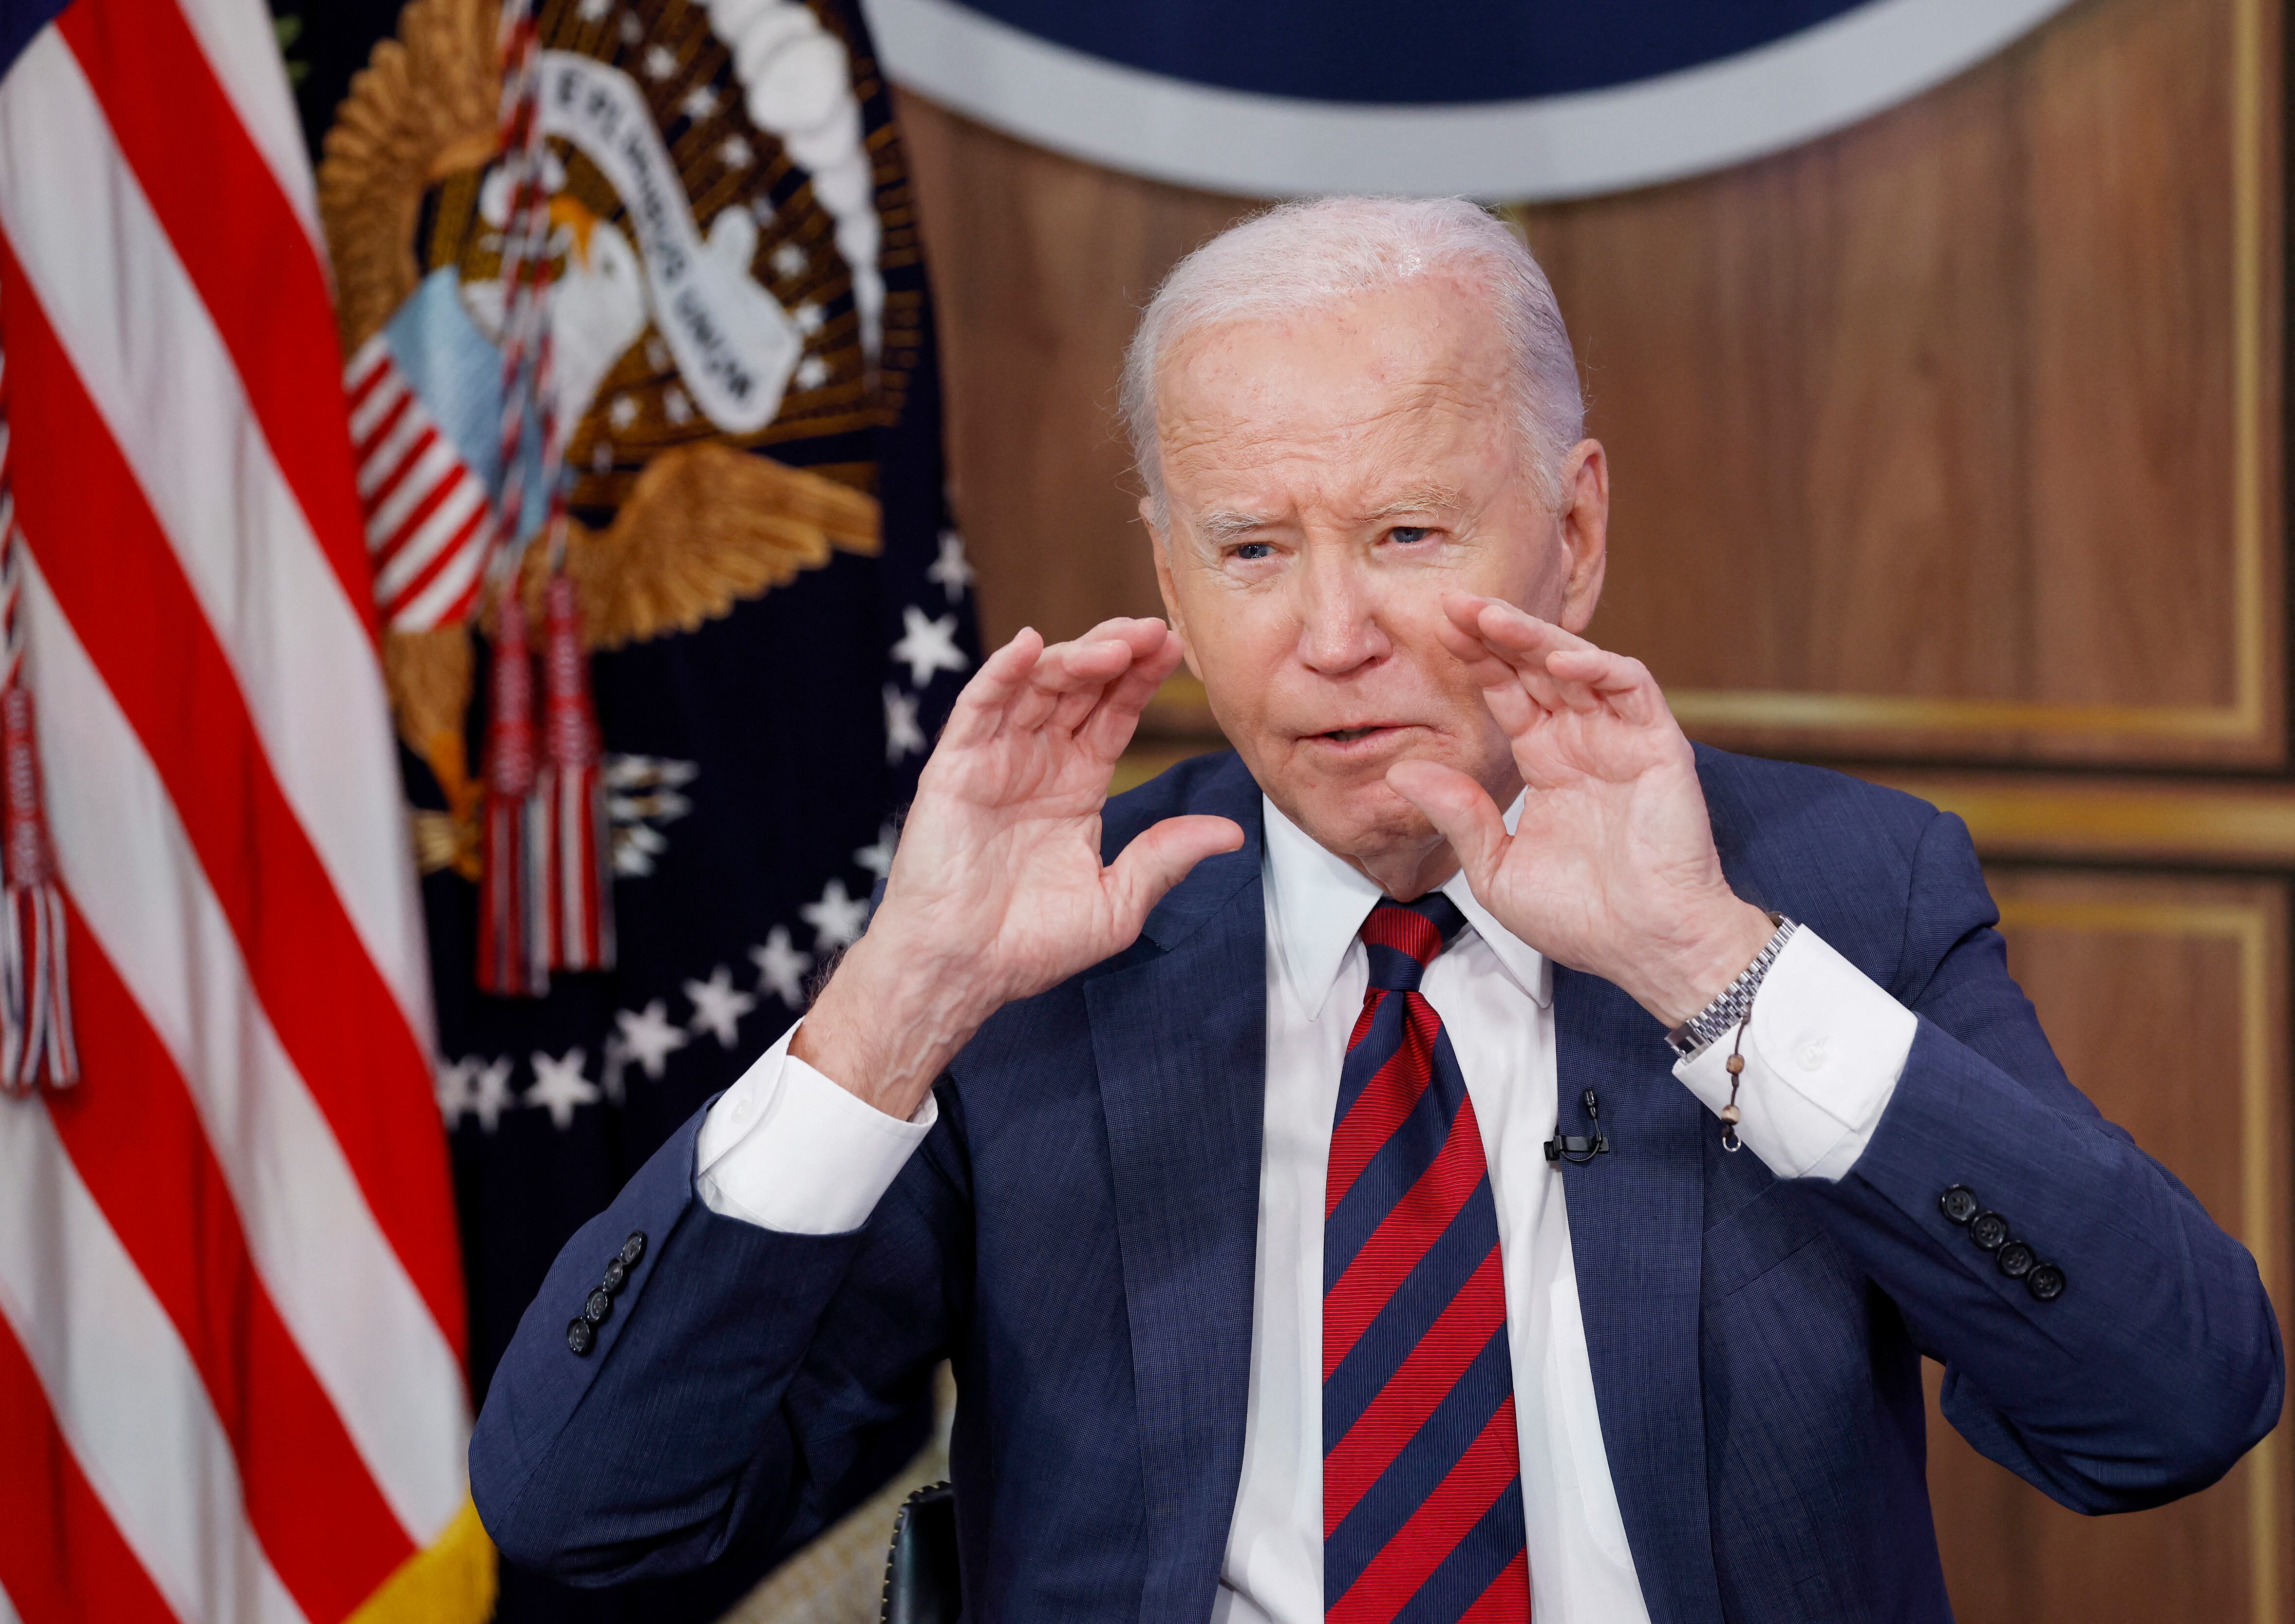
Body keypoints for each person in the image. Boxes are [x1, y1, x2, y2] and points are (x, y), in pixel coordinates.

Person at [467, 198, 2283, 1624]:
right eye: (1253, 549)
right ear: (1168, 567)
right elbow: (591, 1516)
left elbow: (2168, 1412)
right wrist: (891, 1010)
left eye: (1409, 533)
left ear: (1572, 531)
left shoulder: (1828, 897)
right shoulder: (1046, 954)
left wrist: (1709, 973)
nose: (1329, 638)